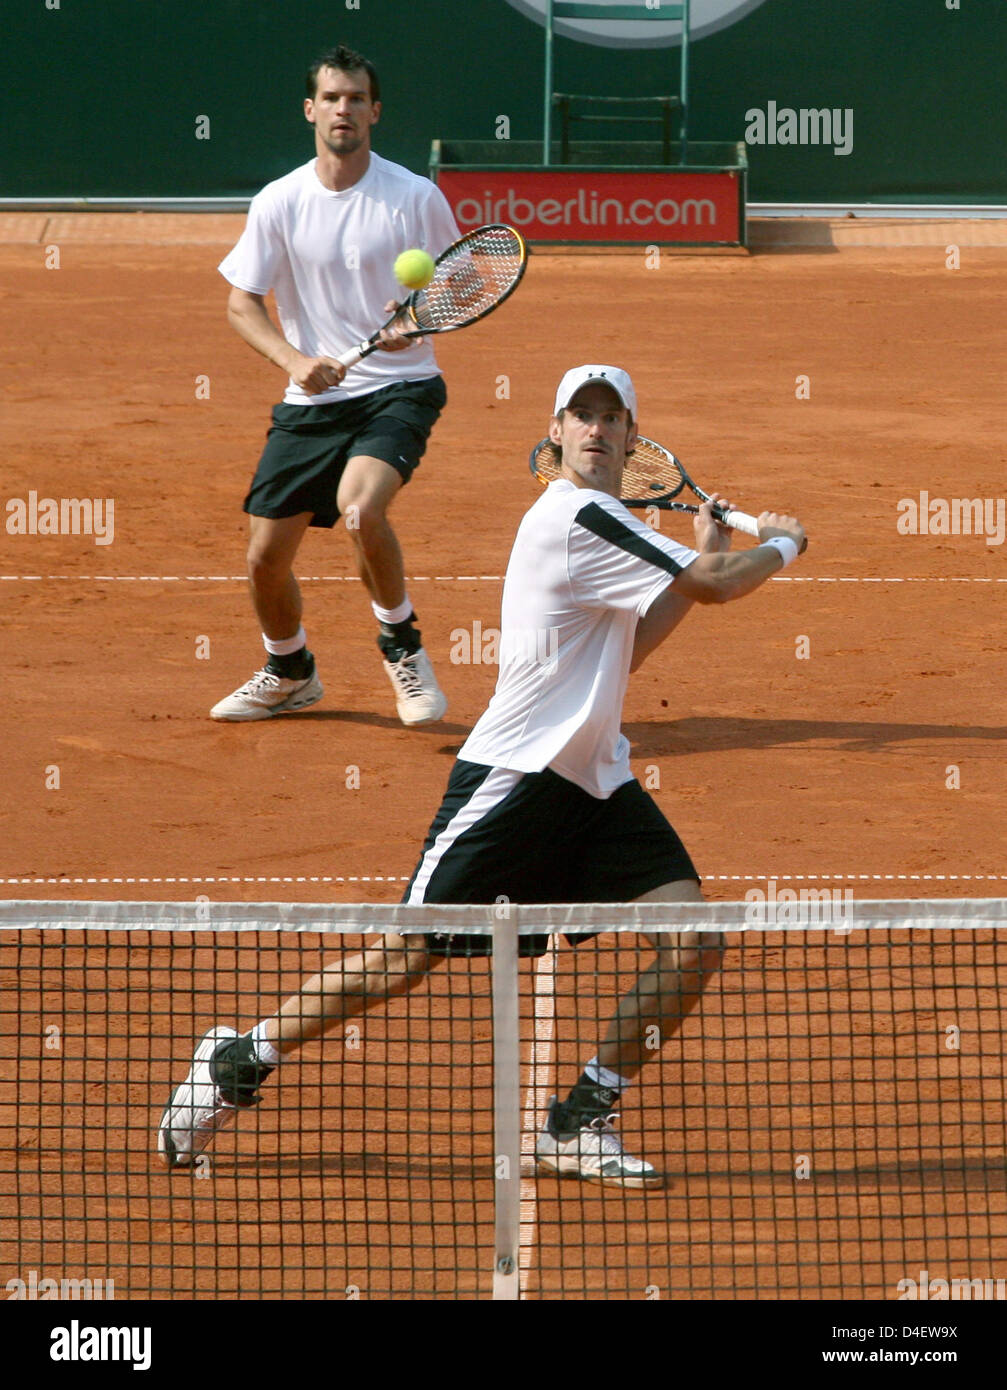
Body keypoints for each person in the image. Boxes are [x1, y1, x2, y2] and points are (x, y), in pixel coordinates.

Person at [160, 365, 806, 1186]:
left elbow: (630, 645)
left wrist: (705, 556)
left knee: (693, 944)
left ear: (634, 439)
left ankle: (577, 1121)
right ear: (557, 433)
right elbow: (714, 588)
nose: (598, 431)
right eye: (583, 417)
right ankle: (237, 1058)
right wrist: (781, 543)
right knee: (404, 959)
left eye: (613, 418)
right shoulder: (577, 515)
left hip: (596, 781)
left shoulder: (608, 525)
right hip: (514, 777)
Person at [210, 43, 459, 725]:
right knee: (263, 558)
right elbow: (241, 303)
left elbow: (460, 284)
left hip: (399, 386)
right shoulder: (279, 201)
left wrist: (417, 319)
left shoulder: (414, 197)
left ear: (374, 111)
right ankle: (289, 670)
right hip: (313, 397)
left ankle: (401, 646)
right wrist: (294, 362)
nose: (342, 109)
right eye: (331, 97)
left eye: (355, 98)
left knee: (360, 511)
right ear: (309, 109)